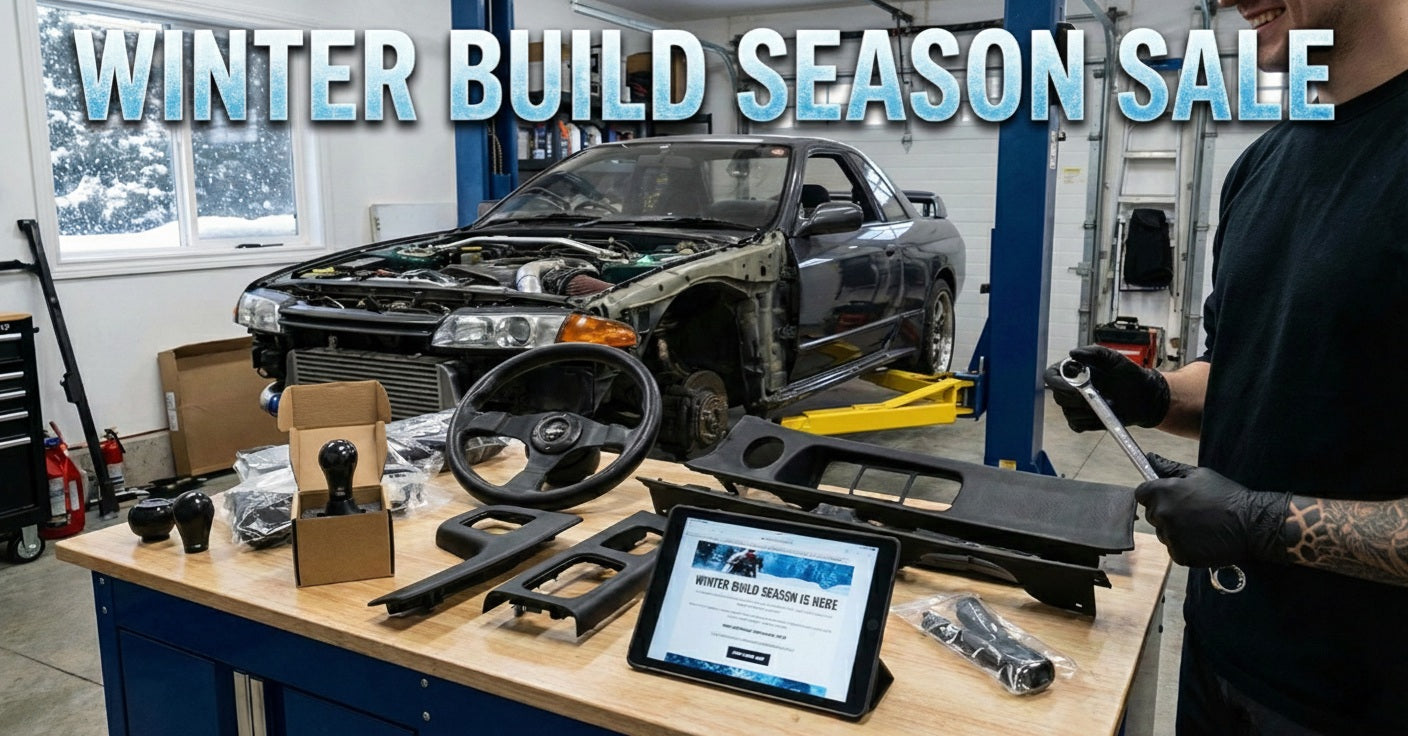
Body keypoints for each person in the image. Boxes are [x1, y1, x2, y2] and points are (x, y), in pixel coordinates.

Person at [1045, 1, 1408, 731]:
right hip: (1221, 657)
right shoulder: (1262, 166)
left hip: (1367, 699)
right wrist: (1149, 395)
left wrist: (1261, 522)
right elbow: (1247, 372)